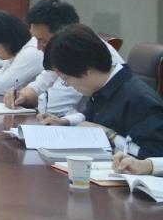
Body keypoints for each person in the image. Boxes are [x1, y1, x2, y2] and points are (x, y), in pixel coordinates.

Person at [38, 24, 163, 159]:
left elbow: (154, 156)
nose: (67, 84)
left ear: (86, 70)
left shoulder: (139, 101)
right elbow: (90, 116)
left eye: (65, 79)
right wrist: (65, 121)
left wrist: (110, 135)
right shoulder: (104, 87)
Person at [4, 0, 124, 114]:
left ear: (62, 34)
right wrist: (22, 96)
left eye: (43, 40)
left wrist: (36, 101)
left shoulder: (79, 52)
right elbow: (41, 84)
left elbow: (53, 107)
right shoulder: (64, 49)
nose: (38, 48)